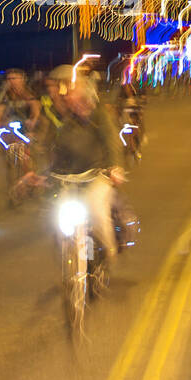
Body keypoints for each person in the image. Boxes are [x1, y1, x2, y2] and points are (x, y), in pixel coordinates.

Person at [45, 64, 126, 258]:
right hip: (71, 179)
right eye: (65, 94)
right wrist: (45, 175)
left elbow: (111, 140)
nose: (67, 97)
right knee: (59, 215)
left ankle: (108, 251)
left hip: (96, 175)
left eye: (71, 92)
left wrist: (115, 167)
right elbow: (56, 151)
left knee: (97, 210)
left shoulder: (99, 114)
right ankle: (71, 255)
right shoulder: (65, 122)